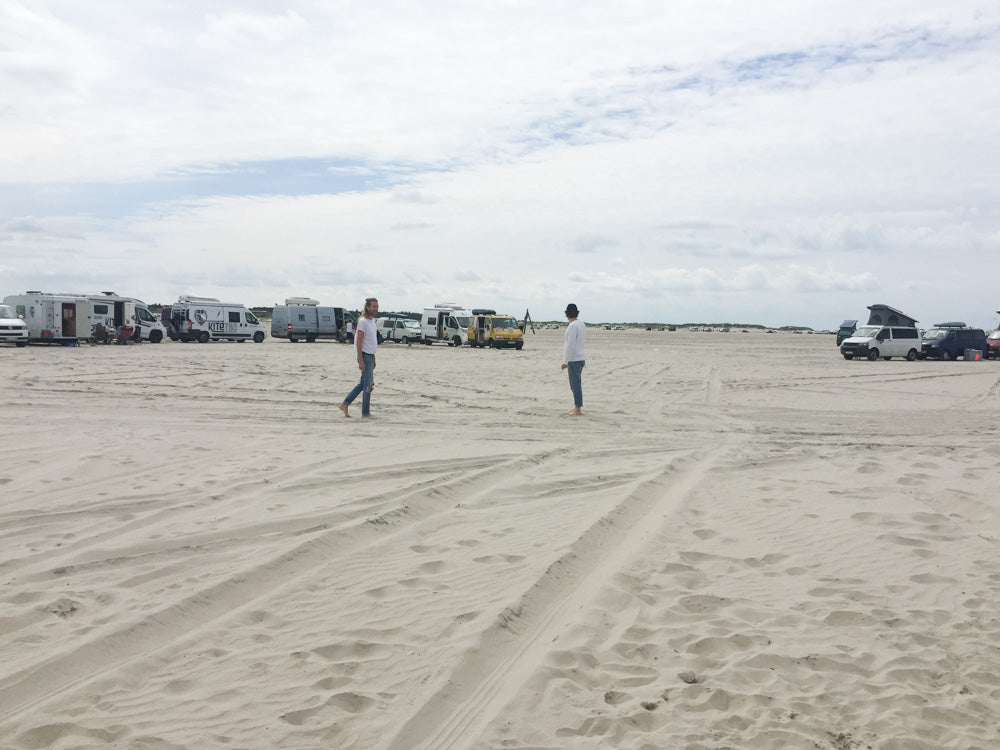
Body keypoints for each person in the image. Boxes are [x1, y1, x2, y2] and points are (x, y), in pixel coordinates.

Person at [340, 298, 379, 418]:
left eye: (377, 306)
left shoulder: (372, 321)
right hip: (364, 356)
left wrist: (374, 358)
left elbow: (371, 341)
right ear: (367, 307)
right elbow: (359, 342)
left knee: (363, 384)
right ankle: (365, 412)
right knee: (368, 385)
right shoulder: (363, 322)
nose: (376, 309)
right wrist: (360, 360)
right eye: (374, 306)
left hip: (370, 356)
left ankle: (345, 404)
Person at [561, 303, 585, 415]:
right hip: (580, 358)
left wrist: (565, 362)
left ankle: (578, 408)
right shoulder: (580, 324)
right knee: (576, 384)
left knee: (575, 385)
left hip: (574, 359)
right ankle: (577, 406)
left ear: (567, 314)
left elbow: (570, 345)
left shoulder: (573, 326)